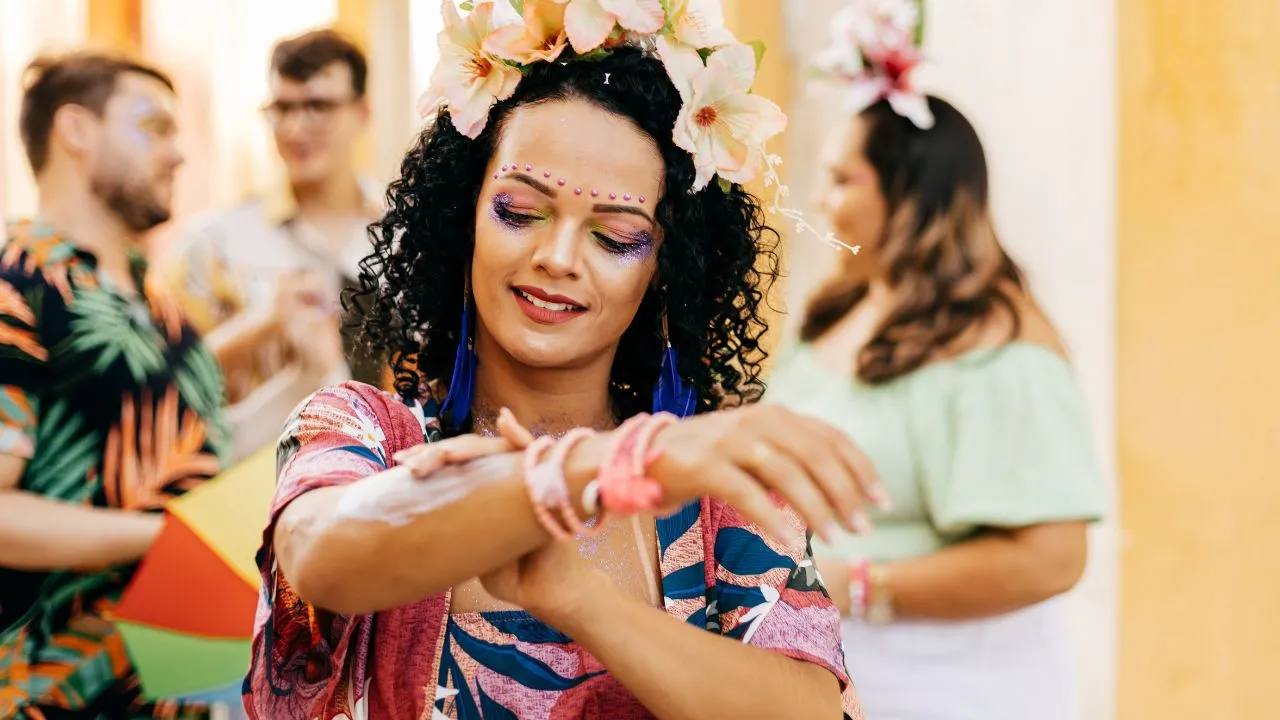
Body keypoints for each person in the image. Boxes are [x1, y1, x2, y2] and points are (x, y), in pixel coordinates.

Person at [243, 2, 873, 718]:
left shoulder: (715, 486)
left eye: (616, 238)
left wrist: (579, 598)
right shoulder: (364, 430)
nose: (557, 258)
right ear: (463, 217)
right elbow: (322, 559)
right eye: (519, 211)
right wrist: (589, 472)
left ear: (666, 270)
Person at [767, 3, 1108, 718]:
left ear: (909, 192)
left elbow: (1051, 556)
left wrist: (854, 585)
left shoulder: (1000, 344)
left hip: (946, 686)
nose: (823, 202)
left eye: (842, 179)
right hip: (824, 671)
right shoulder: (842, 307)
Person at [0, 52, 230, 719]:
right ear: (77, 129)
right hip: (52, 696)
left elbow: (193, 455)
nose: (177, 154)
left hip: (176, 691)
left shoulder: (160, 310)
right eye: (154, 127)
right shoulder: (17, 284)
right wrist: (167, 535)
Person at [156, 29, 382, 462]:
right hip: (254, 485)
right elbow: (159, 383)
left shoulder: (404, 233)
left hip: (391, 480)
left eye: (318, 106)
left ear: (362, 112)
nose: (296, 128)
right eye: (282, 108)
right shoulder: (215, 242)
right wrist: (262, 324)